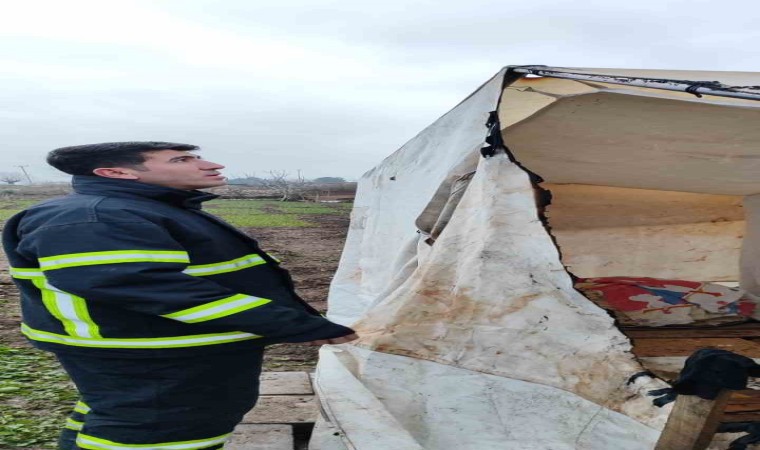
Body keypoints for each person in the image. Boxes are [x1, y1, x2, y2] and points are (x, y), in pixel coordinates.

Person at [1, 142, 358, 450]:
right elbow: (146, 287)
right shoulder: (94, 217)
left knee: (122, 416)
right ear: (118, 173)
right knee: (162, 429)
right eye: (180, 160)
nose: (211, 164)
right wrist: (293, 325)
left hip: (158, 346)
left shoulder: (139, 209)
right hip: (151, 351)